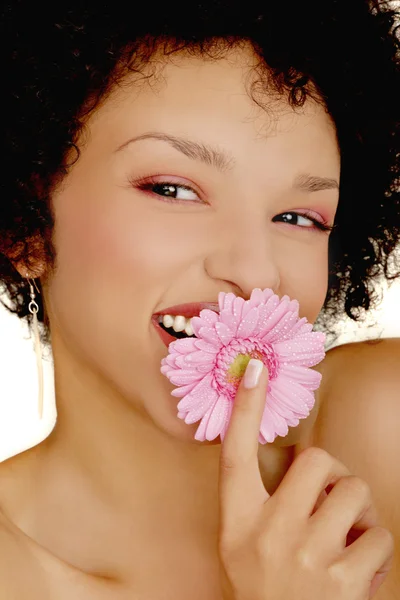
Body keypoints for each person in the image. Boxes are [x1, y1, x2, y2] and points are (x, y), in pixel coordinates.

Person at [0, 1, 399, 598]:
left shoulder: (380, 424)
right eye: (173, 189)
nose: (255, 269)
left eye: (297, 216)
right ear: (25, 227)